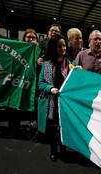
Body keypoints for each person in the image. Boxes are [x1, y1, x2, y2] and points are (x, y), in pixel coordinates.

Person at [38, 34, 69, 162]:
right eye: (59, 46)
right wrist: (50, 88)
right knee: (52, 128)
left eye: (64, 46)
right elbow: (40, 83)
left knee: (64, 127)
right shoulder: (46, 64)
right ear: (52, 48)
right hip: (51, 101)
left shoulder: (71, 63)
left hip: (66, 102)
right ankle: (53, 150)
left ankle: (63, 148)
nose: (62, 48)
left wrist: (78, 72)